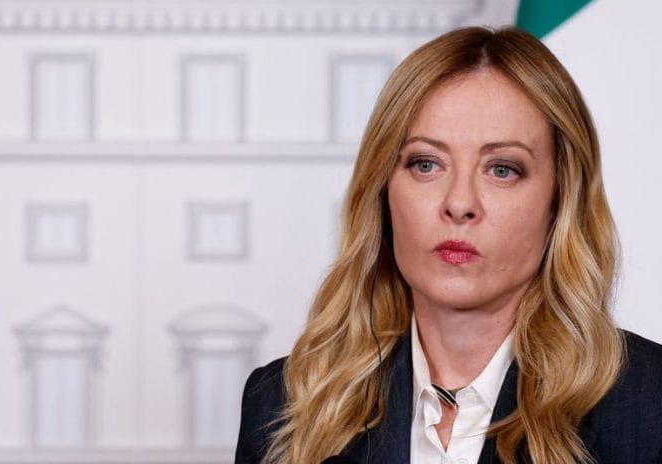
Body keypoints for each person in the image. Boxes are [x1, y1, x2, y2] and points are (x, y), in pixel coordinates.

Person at [235, 26, 662, 464]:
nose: (459, 203)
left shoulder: (651, 405)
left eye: (502, 169)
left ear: (560, 200)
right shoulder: (281, 403)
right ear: (382, 191)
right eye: (426, 164)